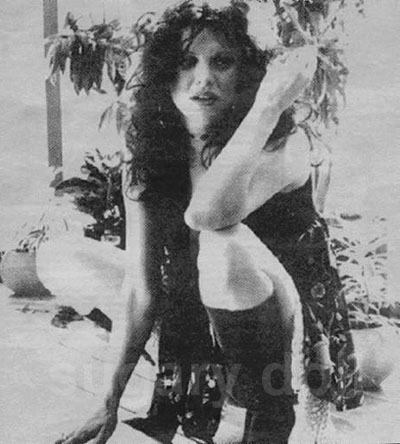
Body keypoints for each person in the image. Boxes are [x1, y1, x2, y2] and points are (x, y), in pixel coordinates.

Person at [55, 1, 362, 443]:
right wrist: (108, 402)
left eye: (222, 62)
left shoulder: (279, 142)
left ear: (246, 74)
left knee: (220, 244)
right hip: (206, 315)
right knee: (63, 255)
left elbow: (205, 214)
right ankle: (197, 393)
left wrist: (267, 106)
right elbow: (141, 287)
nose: (203, 79)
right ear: (166, 71)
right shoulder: (150, 154)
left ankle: (270, 413)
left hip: (289, 333)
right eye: (187, 62)